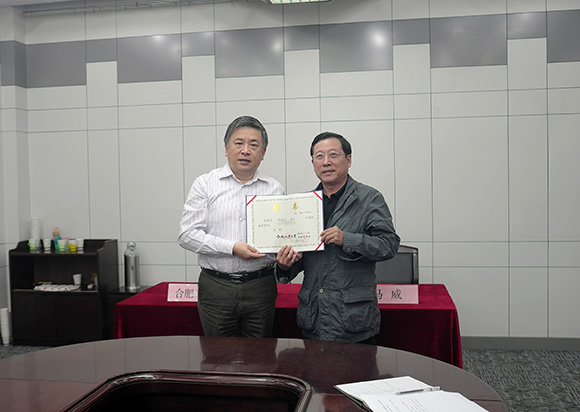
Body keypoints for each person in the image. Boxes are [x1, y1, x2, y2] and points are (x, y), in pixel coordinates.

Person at [276, 131, 400, 344]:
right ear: (313, 164)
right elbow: (302, 257)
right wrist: (285, 265)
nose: (326, 162)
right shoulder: (304, 205)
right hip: (314, 317)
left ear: (348, 160)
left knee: (359, 367)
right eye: (319, 156)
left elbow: (389, 245)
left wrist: (347, 239)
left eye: (333, 155)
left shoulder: (369, 199)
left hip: (353, 319)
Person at [178, 115, 284, 338]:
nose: (246, 150)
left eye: (253, 145)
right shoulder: (205, 184)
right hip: (217, 286)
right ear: (226, 149)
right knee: (218, 355)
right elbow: (187, 235)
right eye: (239, 143)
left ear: (263, 153)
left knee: (260, 355)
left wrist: (288, 251)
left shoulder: (274, 189)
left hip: (261, 285)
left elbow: (280, 236)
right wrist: (232, 248)